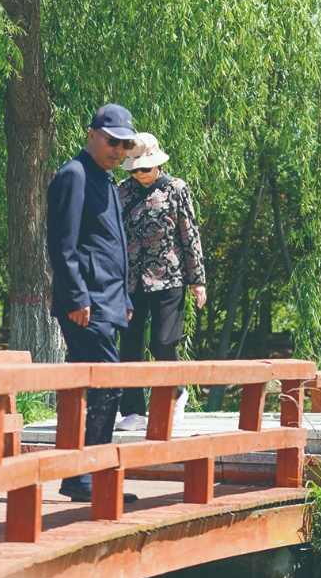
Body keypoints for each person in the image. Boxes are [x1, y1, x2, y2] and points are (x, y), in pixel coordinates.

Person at [46, 103, 139, 503]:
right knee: (109, 385)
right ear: (92, 135)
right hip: (85, 304)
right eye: (112, 141)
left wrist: (124, 297)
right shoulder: (74, 174)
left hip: (107, 302)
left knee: (96, 388)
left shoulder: (105, 179)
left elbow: (111, 244)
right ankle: (90, 476)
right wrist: (77, 296)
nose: (118, 150)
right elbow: (62, 243)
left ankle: (82, 476)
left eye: (125, 145)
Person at [114, 134, 208, 431]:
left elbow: (189, 234)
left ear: (156, 163)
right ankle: (133, 411)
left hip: (169, 278)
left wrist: (197, 280)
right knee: (130, 345)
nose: (139, 174)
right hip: (130, 283)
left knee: (163, 342)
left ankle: (176, 394)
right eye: (134, 169)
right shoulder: (121, 192)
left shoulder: (176, 189)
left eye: (144, 168)